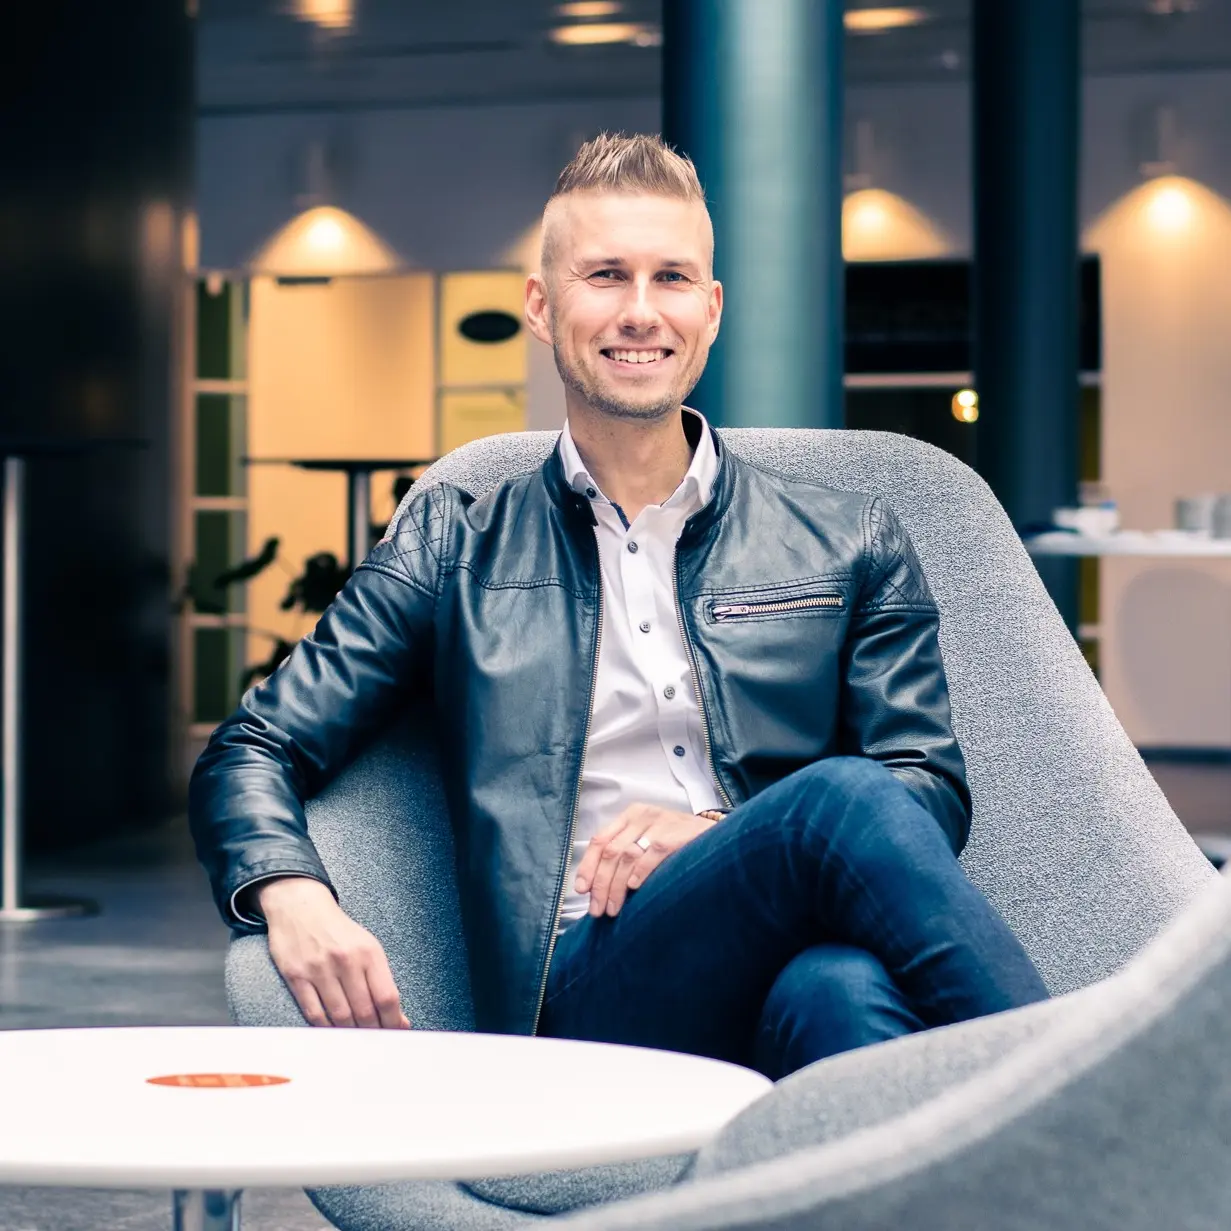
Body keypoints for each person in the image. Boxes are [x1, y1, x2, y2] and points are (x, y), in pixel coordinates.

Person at [189, 132, 1047, 1080]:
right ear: (541, 305)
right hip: (584, 985)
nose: (641, 311)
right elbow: (255, 744)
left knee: (838, 987)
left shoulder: (848, 537)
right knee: (836, 802)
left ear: (710, 309)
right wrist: (290, 890)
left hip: (787, 957)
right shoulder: (456, 544)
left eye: (670, 278)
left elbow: (924, 787)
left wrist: (717, 834)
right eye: (605, 275)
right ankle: (1091, 1093)